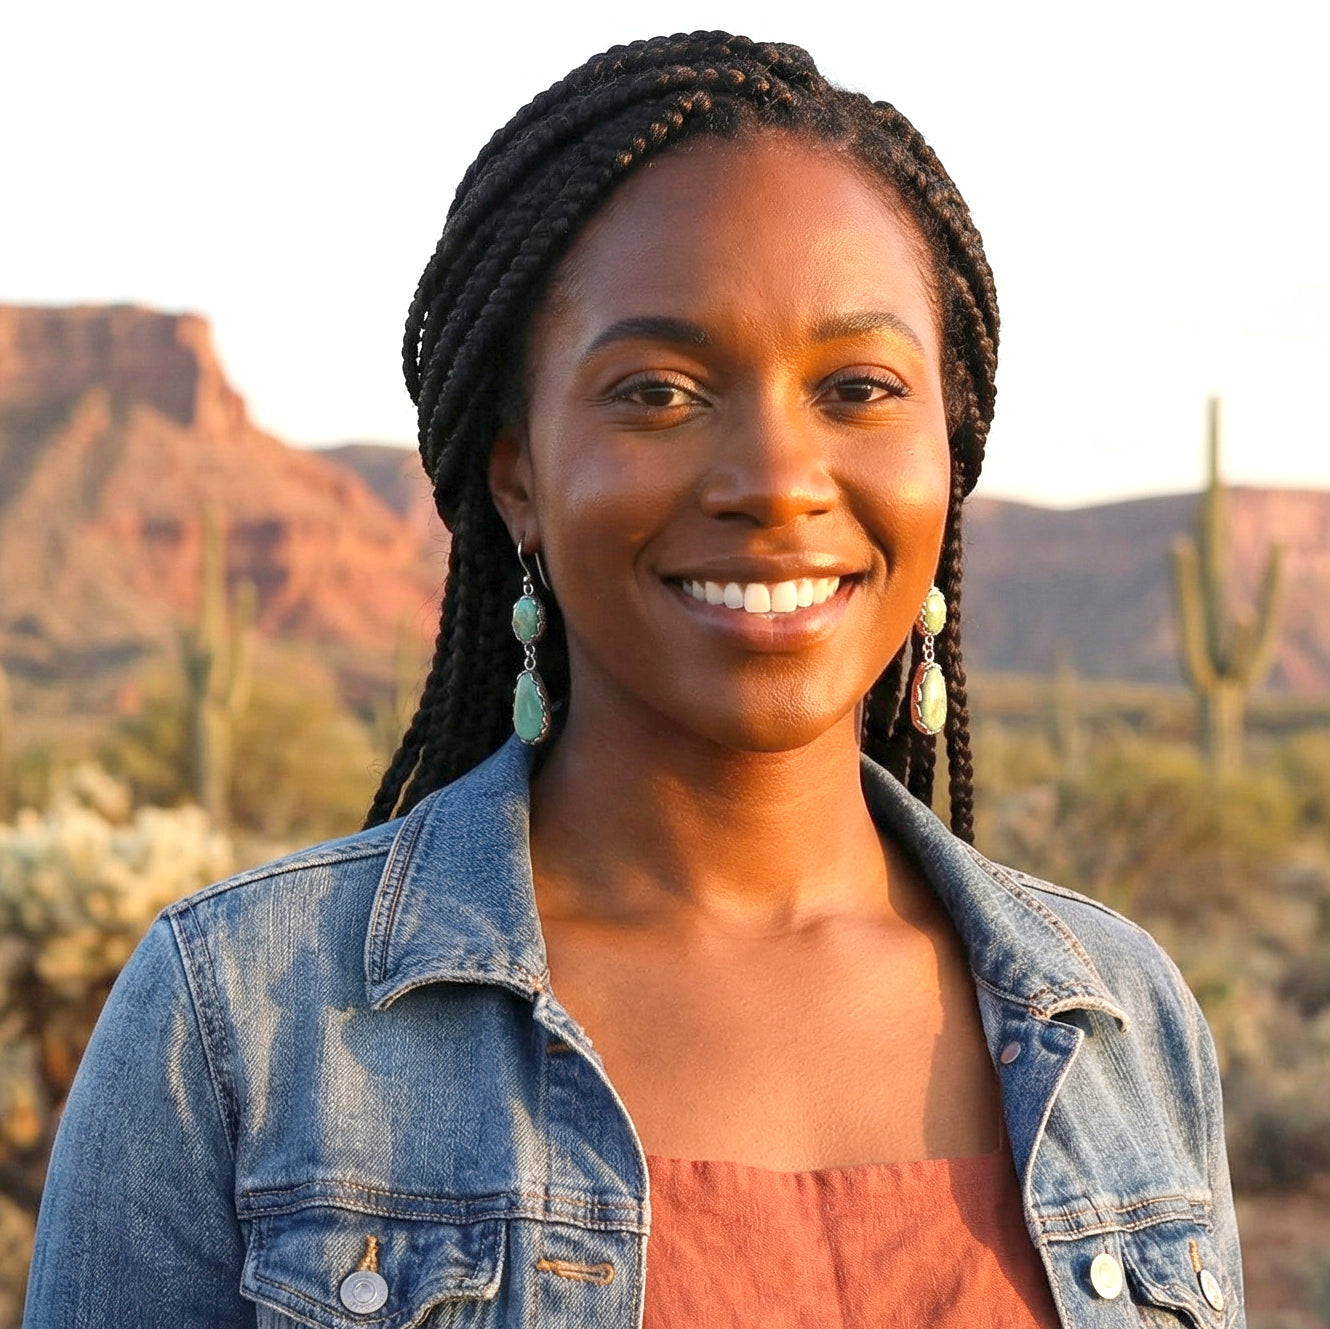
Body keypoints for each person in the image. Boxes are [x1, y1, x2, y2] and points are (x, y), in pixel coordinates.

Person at [25, 31, 1244, 1329]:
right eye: (657, 390)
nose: (774, 477)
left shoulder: (1118, 1018)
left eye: (856, 386)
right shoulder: (244, 1021)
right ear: (517, 474)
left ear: (949, 446)